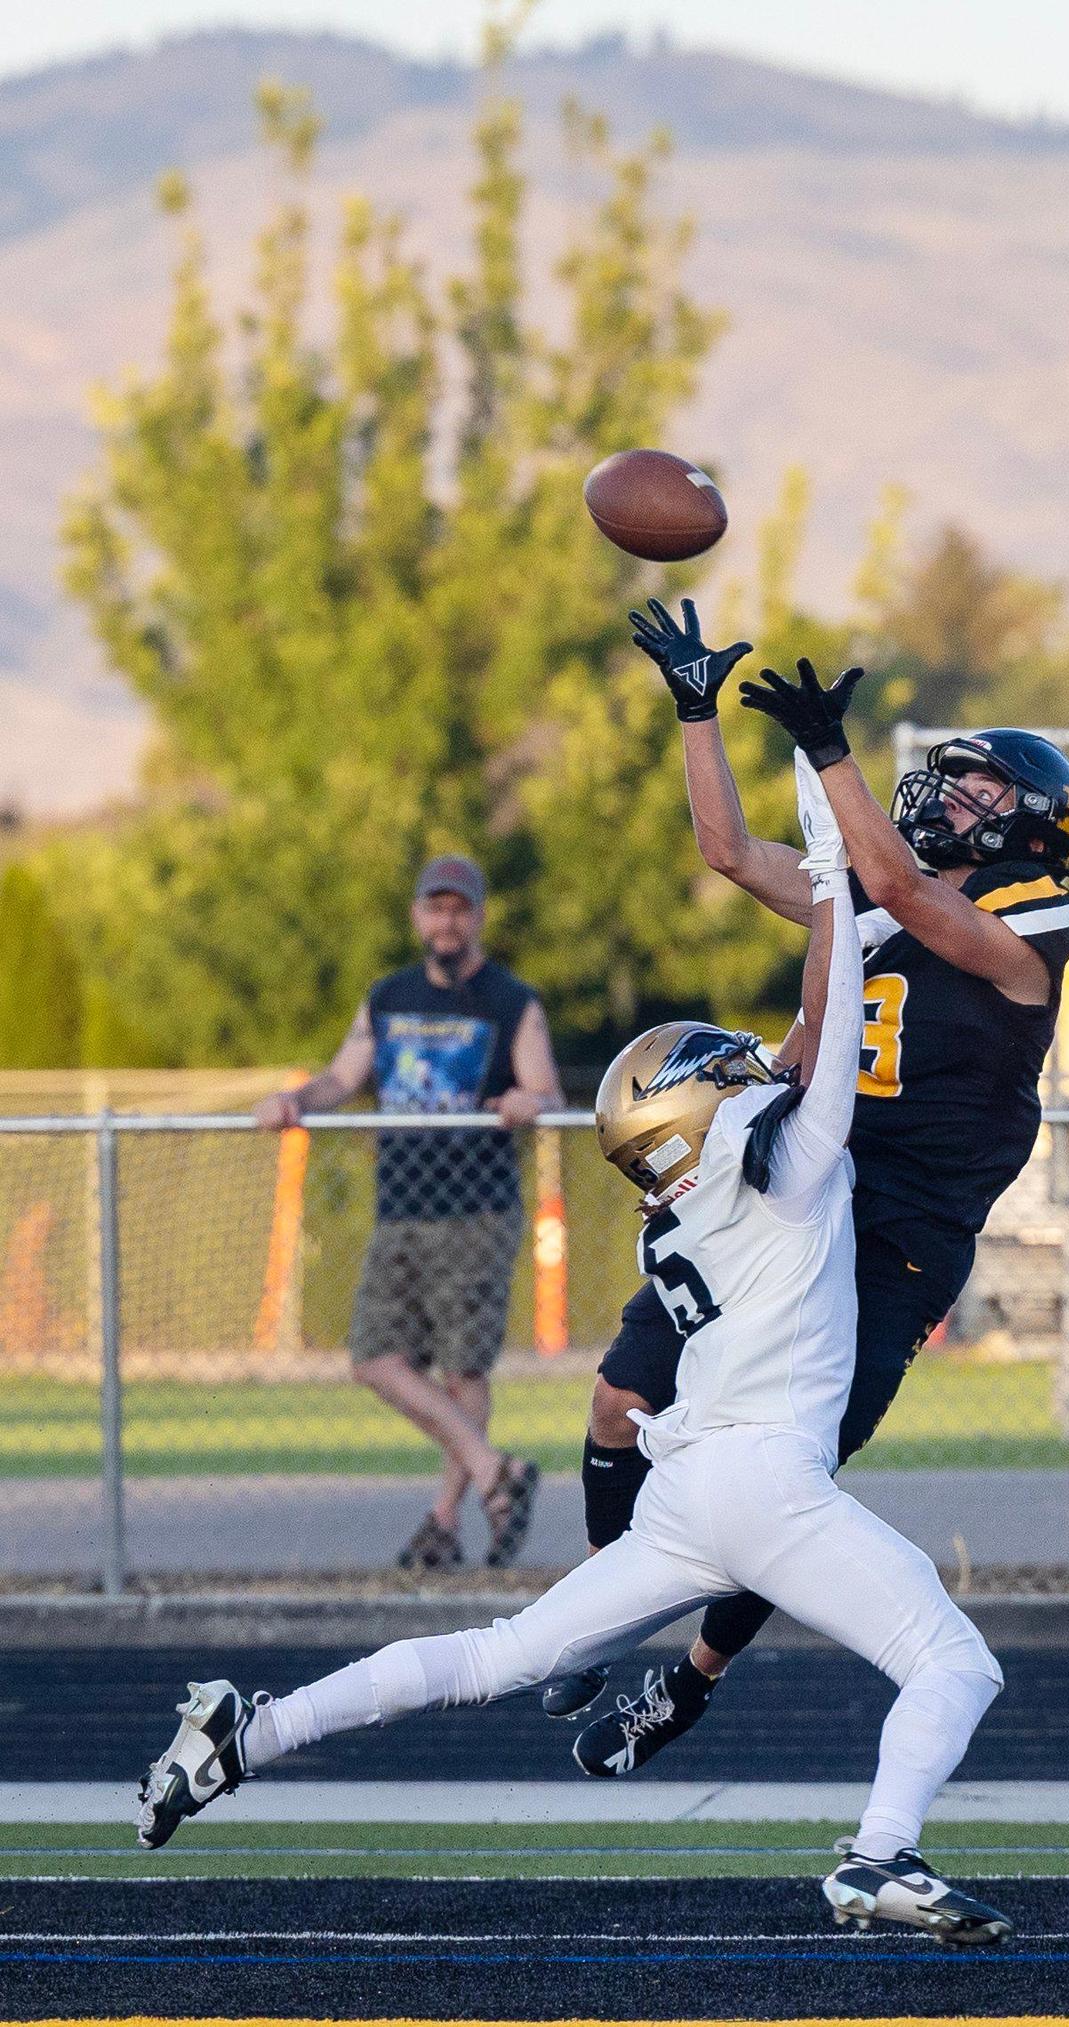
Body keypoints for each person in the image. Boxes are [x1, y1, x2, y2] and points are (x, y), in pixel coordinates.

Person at [138, 757, 1012, 1947]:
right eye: (723, 1067)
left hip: (687, 1492)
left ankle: (252, 1729)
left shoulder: (680, 1213)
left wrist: (819, 875)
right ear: (704, 1107)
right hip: (763, 1483)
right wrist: (823, 872)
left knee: (494, 1653)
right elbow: (840, 1010)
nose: (748, 1062)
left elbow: (800, 1045)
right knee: (955, 1665)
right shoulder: (803, 1181)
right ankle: (879, 1853)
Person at [559, 598, 1069, 1768]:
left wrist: (832, 753)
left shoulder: (1025, 926)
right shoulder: (875, 887)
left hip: (897, 1230)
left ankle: (688, 1683)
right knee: (616, 1402)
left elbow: (905, 895)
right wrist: (698, 710)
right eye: (952, 781)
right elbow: (729, 852)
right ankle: (595, 1612)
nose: (953, 799)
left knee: (784, 1482)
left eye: (983, 794)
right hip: (790, 1190)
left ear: (1036, 835)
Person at [256, 853, 563, 1571]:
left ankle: (445, 1520)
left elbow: (546, 1091)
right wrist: (295, 1102)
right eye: (436, 906)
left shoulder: (512, 1001)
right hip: (400, 1206)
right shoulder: (386, 997)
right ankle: (495, 1472)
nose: (447, 920)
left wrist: (529, 1101)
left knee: (464, 1368)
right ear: (417, 915)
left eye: (459, 908)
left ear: (478, 915)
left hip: (477, 1209)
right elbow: (341, 1076)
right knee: (374, 1357)